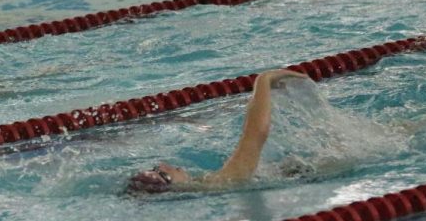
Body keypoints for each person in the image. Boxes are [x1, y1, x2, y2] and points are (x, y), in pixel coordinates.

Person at [128, 68, 309, 193]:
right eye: (163, 174)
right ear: (173, 187)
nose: (162, 164)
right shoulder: (225, 180)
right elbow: (256, 134)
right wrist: (265, 79)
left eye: (155, 168)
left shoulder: (206, 183)